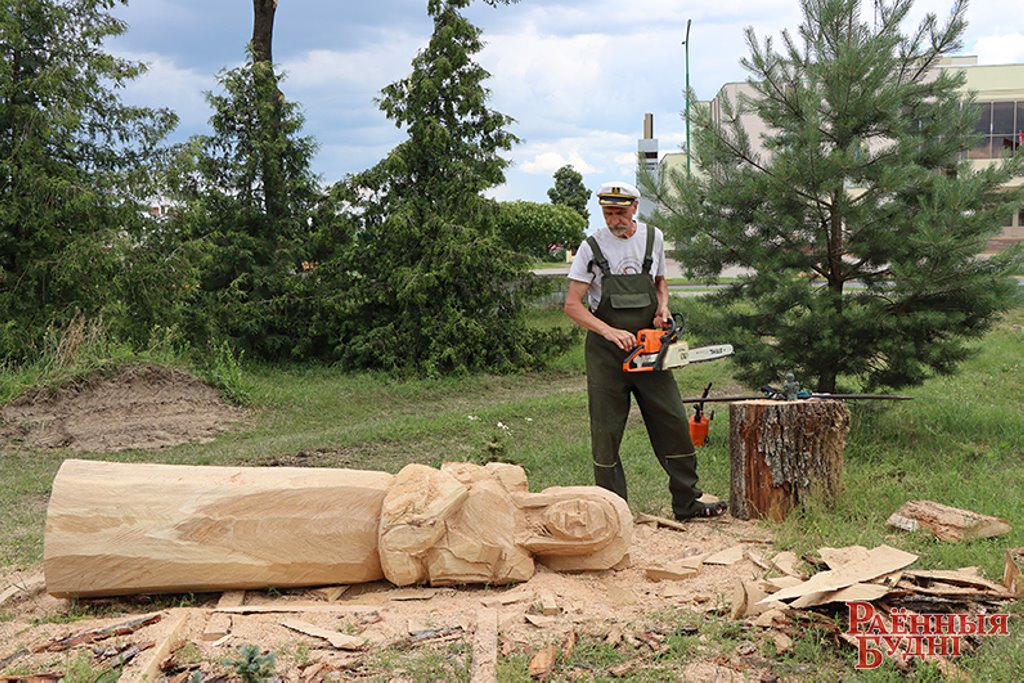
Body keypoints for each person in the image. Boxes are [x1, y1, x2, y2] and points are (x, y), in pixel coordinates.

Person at [563, 181, 727, 520]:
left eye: (620, 213)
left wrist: (662, 309)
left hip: (651, 350)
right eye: (608, 213)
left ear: (635, 207)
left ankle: (687, 502)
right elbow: (572, 306)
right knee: (606, 433)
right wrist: (609, 331)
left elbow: (660, 285)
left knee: (673, 421)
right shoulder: (591, 247)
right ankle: (613, 513)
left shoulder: (653, 238)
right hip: (607, 355)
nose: (614, 220)